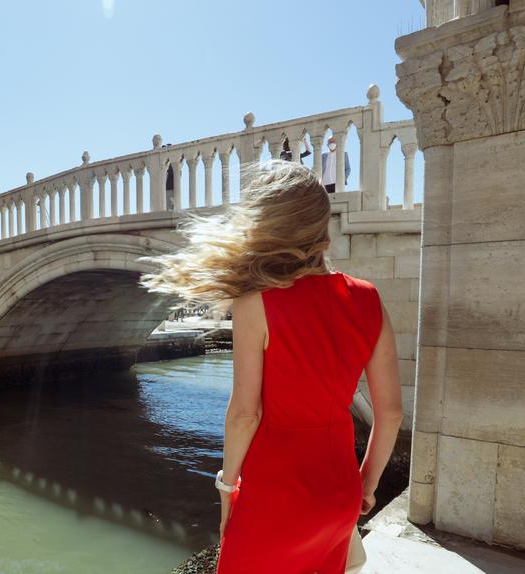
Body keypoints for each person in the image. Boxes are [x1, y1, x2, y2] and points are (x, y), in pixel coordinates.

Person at [139, 160, 402, 573]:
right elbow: (390, 414)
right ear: (322, 227)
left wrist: (227, 488)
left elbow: (246, 413)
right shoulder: (368, 299)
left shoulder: (255, 303)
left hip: (273, 497)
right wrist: (365, 485)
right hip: (338, 493)